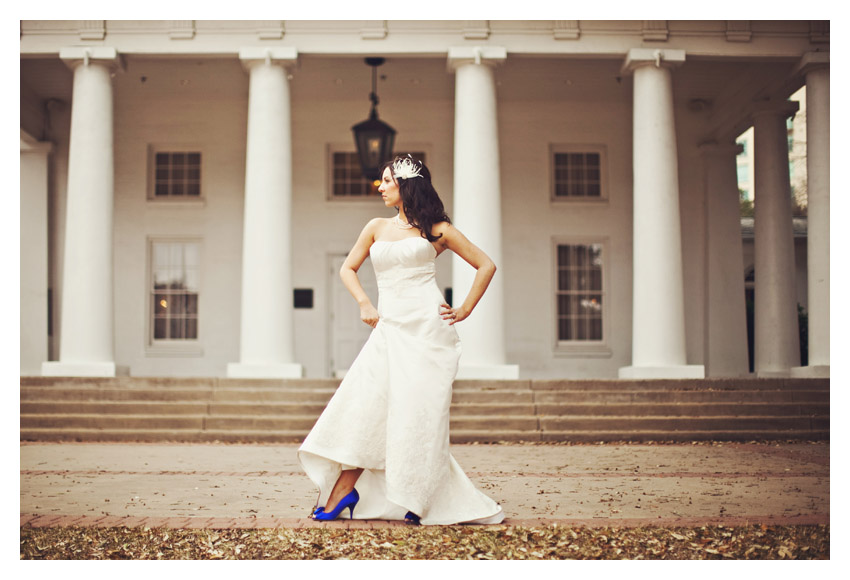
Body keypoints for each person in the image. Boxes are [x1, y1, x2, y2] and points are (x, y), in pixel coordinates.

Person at [297, 155, 505, 525]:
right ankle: (346, 488)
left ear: (407, 185)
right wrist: (364, 302)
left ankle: (418, 496)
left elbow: (485, 264)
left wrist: (465, 310)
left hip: (428, 330)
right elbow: (348, 268)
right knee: (369, 408)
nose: (381, 187)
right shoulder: (376, 226)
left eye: (387, 181)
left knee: (420, 416)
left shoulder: (438, 229)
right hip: (389, 328)